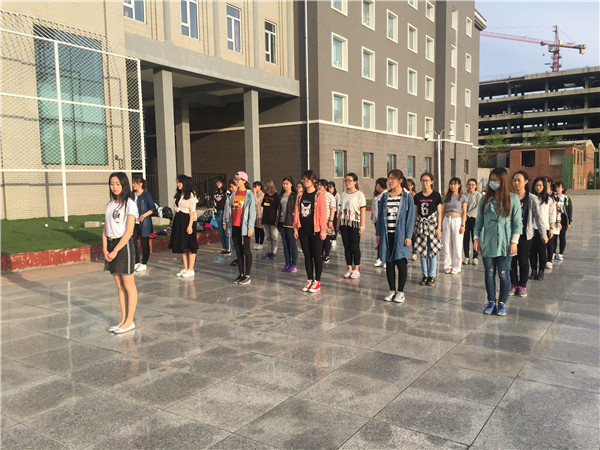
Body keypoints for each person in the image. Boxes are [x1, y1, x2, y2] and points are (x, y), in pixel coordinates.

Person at [474, 167, 521, 316]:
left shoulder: (512, 199)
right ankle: (491, 301)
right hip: (488, 242)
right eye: (491, 180)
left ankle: (502, 303)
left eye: (495, 180)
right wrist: (476, 238)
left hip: (504, 243)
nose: (492, 183)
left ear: (503, 181)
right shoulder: (485, 199)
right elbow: (479, 221)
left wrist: (514, 242)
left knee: (503, 274)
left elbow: (517, 223)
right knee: (489, 274)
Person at [103, 172, 139, 333]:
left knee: (128, 284)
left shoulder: (129, 204)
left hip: (123, 246)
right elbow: (105, 229)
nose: (114, 187)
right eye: (112, 184)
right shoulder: (110, 205)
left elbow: (129, 231)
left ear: (124, 185)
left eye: (118, 184)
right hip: (111, 245)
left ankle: (129, 321)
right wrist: (105, 248)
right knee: (119, 285)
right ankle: (123, 320)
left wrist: (116, 250)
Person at [376, 170, 414, 303]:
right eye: (389, 178)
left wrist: (408, 235)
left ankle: (400, 292)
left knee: (401, 262)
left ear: (400, 180)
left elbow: (410, 218)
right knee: (389, 262)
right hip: (387, 234)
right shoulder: (385, 196)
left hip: (401, 235)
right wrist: (378, 233)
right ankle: (392, 290)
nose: (390, 181)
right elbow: (380, 216)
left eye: (393, 178)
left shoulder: (407, 196)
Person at [510, 170, 544, 297]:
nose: (516, 183)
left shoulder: (532, 198)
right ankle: (513, 283)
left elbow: (538, 217)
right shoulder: (509, 197)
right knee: (511, 260)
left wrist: (543, 234)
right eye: (514, 180)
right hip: (511, 234)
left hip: (525, 235)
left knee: (523, 260)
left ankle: (522, 285)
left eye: (519, 180)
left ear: (526, 181)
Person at [294, 170, 327, 292]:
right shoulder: (300, 195)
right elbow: (297, 211)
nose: (305, 181)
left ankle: (317, 281)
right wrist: (296, 228)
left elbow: (323, 213)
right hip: (303, 230)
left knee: (316, 256)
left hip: (315, 230)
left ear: (313, 180)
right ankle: (310, 280)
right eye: (303, 179)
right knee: (307, 256)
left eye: (307, 179)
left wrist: (323, 230)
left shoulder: (319, 195)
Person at [226, 171, 256, 285]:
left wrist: (250, 227)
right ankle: (241, 273)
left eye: (238, 179)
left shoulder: (249, 194)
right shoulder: (233, 194)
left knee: (246, 250)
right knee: (238, 251)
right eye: (235, 179)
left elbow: (252, 212)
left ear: (244, 181)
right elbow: (229, 211)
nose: (236, 181)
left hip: (244, 227)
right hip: (234, 226)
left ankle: (247, 275)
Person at [413, 172, 443, 286]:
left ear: (431, 182)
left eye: (427, 180)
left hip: (432, 225)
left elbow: (439, 213)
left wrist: (439, 227)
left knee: (432, 251)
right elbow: (415, 213)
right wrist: (413, 226)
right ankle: (424, 274)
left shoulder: (436, 195)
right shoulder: (418, 196)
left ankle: (432, 275)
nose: (424, 182)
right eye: (423, 180)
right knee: (422, 251)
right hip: (421, 226)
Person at [337, 172, 367, 279]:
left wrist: (362, 225)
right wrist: (338, 224)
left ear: (355, 182)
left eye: (349, 180)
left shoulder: (360, 195)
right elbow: (340, 210)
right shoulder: (343, 194)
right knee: (346, 247)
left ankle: (356, 269)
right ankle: (349, 268)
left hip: (354, 223)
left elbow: (363, 211)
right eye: (346, 180)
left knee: (354, 247)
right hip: (344, 223)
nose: (347, 182)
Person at [169, 175, 198, 277]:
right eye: (177, 182)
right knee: (182, 245)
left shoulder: (191, 195)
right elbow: (174, 210)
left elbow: (192, 212)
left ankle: (191, 268)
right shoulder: (178, 195)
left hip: (187, 220)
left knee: (190, 245)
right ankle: (185, 267)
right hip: (178, 220)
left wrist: (190, 226)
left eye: (180, 182)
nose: (178, 184)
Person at [529, 177, 554, 281]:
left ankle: (541, 271)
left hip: (544, 229)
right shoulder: (530, 198)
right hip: (532, 228)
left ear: (544, 186)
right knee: (532, 251)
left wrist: (551, 228)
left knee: (542, 251)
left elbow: (552, 214)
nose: (538, 187)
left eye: (540, 185)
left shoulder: (549, 200)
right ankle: (533, 270)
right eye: (536, 185)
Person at [441, 177, 467, 274]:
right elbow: (443, 211)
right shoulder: (446, 196)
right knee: (446, 244)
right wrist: (440, 224)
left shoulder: (462, 197)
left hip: (457, 220)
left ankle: (456, 267)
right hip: (447, 219)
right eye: (451, 184)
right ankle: (448, 265)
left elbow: (464, 212)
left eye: (455, 184)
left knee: (457, 244)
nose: (453, 186)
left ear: (459, 185)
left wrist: (463, 225)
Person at [131, 175, 157, 272]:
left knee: (144, 243)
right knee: (133, 242)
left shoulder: (146, 195)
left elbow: (152, 208)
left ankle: (144, 263)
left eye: (135, 183)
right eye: (133, 183)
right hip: (133, 222)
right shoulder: (131, 195)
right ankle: (136, 262)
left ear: (141, 184)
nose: (133, 185)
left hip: (144, 223)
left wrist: (143, 216)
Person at [277, 176, 298, 272]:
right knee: (285, 245)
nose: (285, 185)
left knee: (292, 244)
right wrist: (277, 222)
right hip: (282, 221)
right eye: (284, 184)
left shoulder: (294, 195)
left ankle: (294, 264)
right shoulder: (281, 195)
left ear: (291, 184)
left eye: (287, 184)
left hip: (290, 222)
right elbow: (279, 209)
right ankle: (287, 263)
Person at [463, 178, 482, 266]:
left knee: (475, 238)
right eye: (469, 185)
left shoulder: (479, 195)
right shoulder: (464, 195)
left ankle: (475, 257)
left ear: (476, 186)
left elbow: (478, 207)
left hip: (475, 219)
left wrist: (468, 214)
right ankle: (466, 256)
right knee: (465, 238)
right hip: (465, 219)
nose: (471, 186)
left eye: (473, 185)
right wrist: (464, 215)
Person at [261, 178, 280, 259]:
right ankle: (269, 251)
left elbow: (278, 209)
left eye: (265, 186)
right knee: (268, 236)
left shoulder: (276, 196)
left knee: (274, 237)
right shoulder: (266, 195)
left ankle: (274, 252)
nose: (264, 188)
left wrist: (277, 220)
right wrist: (262, 218)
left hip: (273, 220)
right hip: (266, 219)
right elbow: (264, 207)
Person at [318, 179, 336, 263]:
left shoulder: (330, 196)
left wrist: (331, 220)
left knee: (326, 239)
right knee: (319, 239)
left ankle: (327, 255)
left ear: (325, 186)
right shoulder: (317, 195)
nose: (319, 187)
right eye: (318, 185)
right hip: (318, 220)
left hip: (327, 220)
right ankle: (320, 254)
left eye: (321, 185)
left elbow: (333, 209)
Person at [554, 181, 572, 261]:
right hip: (554, 218)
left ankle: (560, 253)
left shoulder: (566, 198)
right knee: (554, 237)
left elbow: (569, 210)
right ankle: (553, 252)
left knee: (562, 236)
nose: (557, 189)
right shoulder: (553, 196)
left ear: (563, 189)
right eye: (556, 187)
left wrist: (569, 222)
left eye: (559, 187)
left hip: (563, 219)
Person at [372, 177, 388, 267]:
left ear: (378, 185)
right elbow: (374, 207)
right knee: (379, 240)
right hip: (377, 220)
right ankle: (379, 258)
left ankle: (385, 259)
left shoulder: (386, 195)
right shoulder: (376, 195)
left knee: (384, 240)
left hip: (383, 221)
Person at [545, 178, 561, 269]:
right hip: (542, 221)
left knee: (550, 241)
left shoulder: (554, 195)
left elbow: (558, 208)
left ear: (549, 183)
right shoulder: (540, 194)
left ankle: (549, 260)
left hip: (552, 221)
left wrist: (558, 221)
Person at [224, 179, 239, 267]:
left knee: (237, 242)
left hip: (237, 222)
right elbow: (226, 210)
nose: (231, 189)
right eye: (230, 187)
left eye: (232, 187)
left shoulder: (239, 196)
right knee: (232, 242)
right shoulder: (229, 197)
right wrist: (224, 221)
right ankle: (236, 258)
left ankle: (239, 258)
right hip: (229, 222)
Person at [213, 178, 230, 255]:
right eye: (217, 182)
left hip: (225, 212)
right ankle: (224, 248)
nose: (218, 184)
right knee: (221, 231)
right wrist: (215, 213)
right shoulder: (216, 193)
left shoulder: (227, 193)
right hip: (218, 213)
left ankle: (228, 248)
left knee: (226, 231)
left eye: (219, 182)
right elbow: (214, 204)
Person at [407, 178, 418, 261]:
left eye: (408, 185)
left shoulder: (416, 196)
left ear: (412, 186)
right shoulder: (405, 195)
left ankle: (414, 252)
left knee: (413, 236)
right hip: (406, 217)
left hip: (414, 217)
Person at [253, 181, 265, 250]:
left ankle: (261, 243)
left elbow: (256, 202)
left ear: (259, 186)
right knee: (256, 229)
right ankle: (256, 243)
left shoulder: (262, 194)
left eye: (256, 186)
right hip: (255, 214)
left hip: (260, 214)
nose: (254, 188)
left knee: (260, 229)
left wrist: (254, 194)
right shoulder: (255, 194)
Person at [327, 181, 339, 247]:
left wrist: (338, 213)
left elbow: (338, 204)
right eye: (329, 187)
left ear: (334, 187)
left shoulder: (337, 195)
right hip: (329, 212)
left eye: (331, 187)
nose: (330, 189)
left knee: (334, 225)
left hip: (335, 212)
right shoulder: (327, 194)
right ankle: (330, 237)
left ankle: (334, 238)